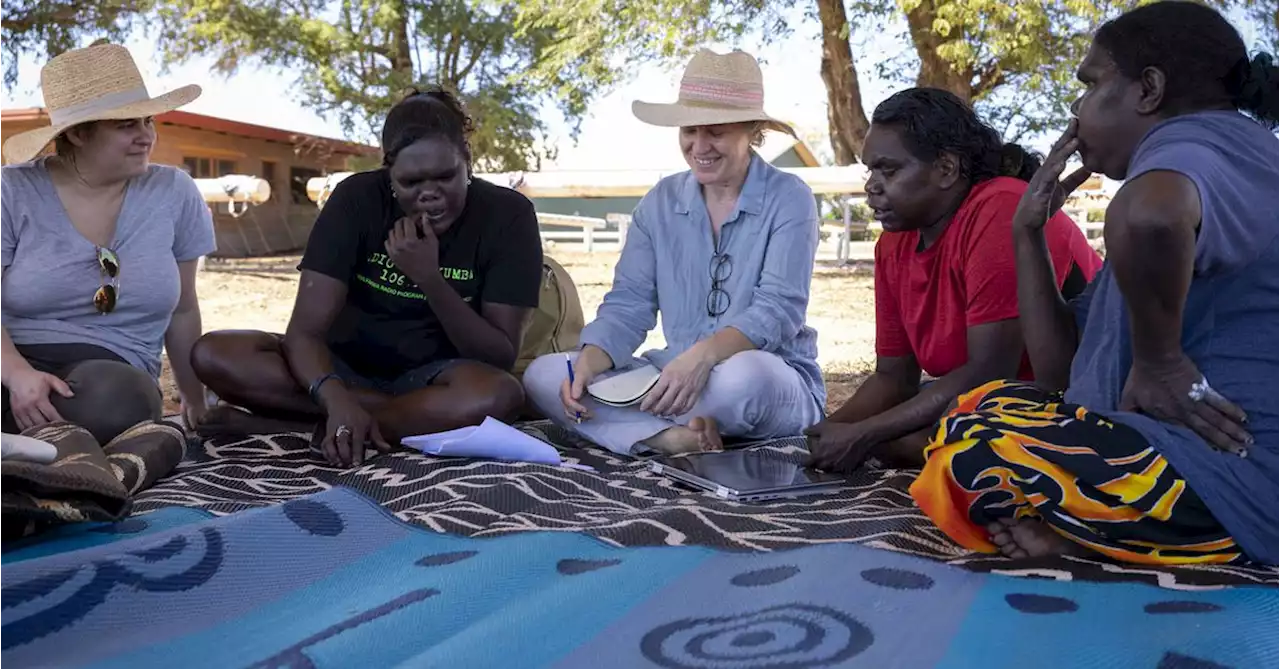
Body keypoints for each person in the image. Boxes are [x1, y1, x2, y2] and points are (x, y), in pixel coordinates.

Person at [911, 0, 1280, 566]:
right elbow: (1062, 372)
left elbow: (1149, 215)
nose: (1077, 107)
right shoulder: (1208, 158)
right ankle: (1106, 533)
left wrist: (1160, 364)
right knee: (983, 408)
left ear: (1147, 90)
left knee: (977, 447)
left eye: (1090, 83)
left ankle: (1160, 536)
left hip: (1236, 475)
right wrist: (1028, 234)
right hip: (1181, 458)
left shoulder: (1196, 148)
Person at [191, 87, 541, 468]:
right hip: (341, 367)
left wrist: (430, 279)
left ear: (467, 160)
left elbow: (498, 356)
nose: (430, 194)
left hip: (435, 379)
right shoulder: (355, 199)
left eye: (445, 176)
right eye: (411, 182)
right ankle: (365, 420)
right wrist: (335, 397)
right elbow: (305, 333)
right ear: (389, 172)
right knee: (215, 353)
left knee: (498, 396)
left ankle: (283, 423)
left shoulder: (508, 215)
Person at [522, 49, 825, 456]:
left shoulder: (790, 198)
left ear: (752, 130)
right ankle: (669, 439)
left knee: (746, 378)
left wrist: (701, 358)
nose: (700, 145)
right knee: (545, 375)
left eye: (715, 131)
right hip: (670, 372)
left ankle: (632, 429)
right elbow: (629, 304)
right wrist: (591, 362)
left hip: (766, 377)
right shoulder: (659, 202)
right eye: (689, 131)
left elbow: (778, 310)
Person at [806, 88, 1102, 472]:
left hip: (1077, 397)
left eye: (888, 170)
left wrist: (864, 435)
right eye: (870, 170)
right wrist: (819, 436)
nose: (871, 186)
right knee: (900, 436)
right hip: (981, 402)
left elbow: (990, 370)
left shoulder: (1000, 206)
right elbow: (893, 378)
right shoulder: (893, 245)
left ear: (946, 169)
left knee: (918, 439)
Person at [0, 42, 215, 445]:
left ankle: (20, 445)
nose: (146, 136)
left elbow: (184, 308)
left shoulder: (173, 191)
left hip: (107, 369)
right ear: (79, 134)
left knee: (119, 403)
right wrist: (16, 374)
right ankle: (42, 447)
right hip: (9, 358)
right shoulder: (12, 190)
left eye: (148, 121)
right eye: (126, 125)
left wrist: (193, 397)